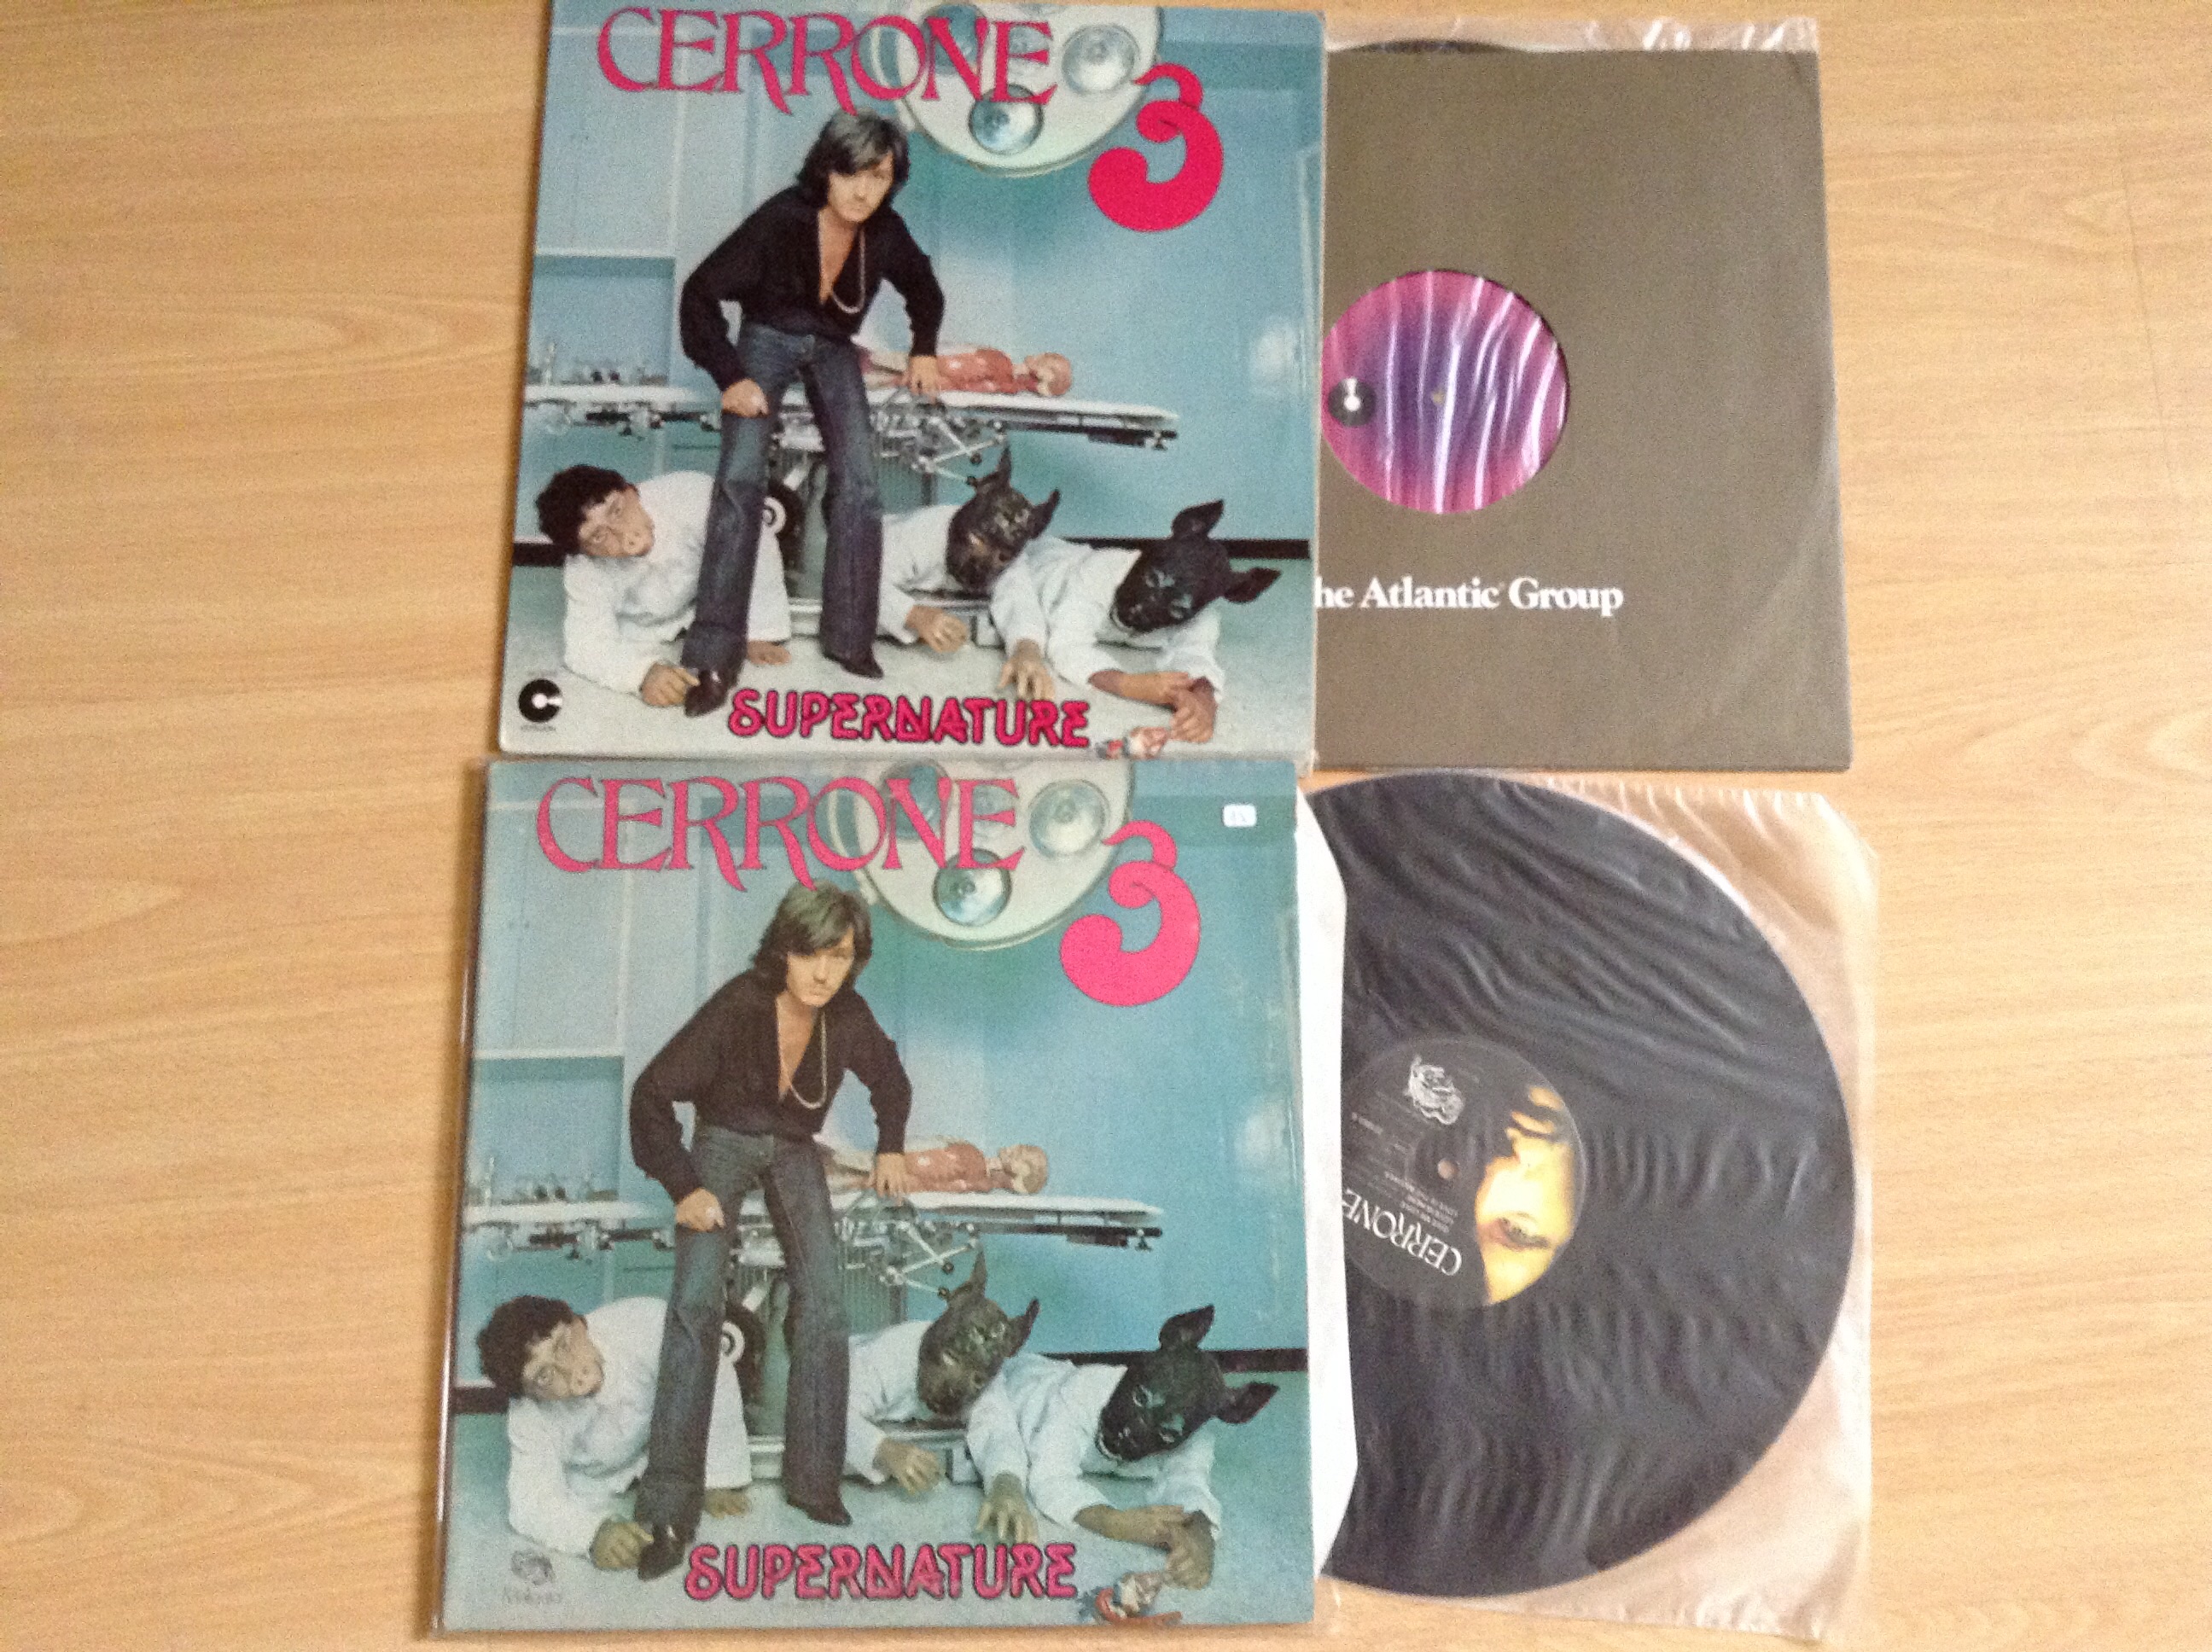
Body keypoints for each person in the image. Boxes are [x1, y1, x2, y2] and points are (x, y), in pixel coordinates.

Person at [627, 883, 915, 1579]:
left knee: (827, 1303)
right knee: (696, 1303)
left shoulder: (849, 1015)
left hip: (793, 1148)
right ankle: (668, 1506)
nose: (824, 972)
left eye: (840, 957)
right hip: (723, 1140)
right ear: (784, 951)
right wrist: (685, 1186)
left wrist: (891, 1147)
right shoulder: (740, 1004)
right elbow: (651, 1094)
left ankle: (815, 1482)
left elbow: (891, 1082)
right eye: (812, 954)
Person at [677, 110, 946, 715]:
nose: (863, 191)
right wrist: (730, 376)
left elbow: (925, 289)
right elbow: (700, 291)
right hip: (766, 338)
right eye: (851, 173)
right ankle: (714, 656)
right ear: (826, 170)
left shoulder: (887, 230)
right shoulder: (782, 218)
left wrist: (924, 348)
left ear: (892, 181)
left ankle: (850, 639)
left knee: (861, 486)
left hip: (833, 347)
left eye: (878, 177)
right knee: (740, 480)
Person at [964, 1306, 1276, 1589]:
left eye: (1166, 1433)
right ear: (1132, 1370)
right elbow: (1050, 1478)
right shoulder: (1081, 1392)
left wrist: (1201, 1533)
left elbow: (1189, 1481)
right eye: (1140, 1398)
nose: (1131, 1431)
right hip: (1026, 1379)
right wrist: (1114, 1522)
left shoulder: (1193, 1433)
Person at [474, 1294, 752, 1569]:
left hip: (663, 1446)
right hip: (593, 1482)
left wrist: (719, 1477)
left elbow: (711, 1372)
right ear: (531, 1395)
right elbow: (530, 1503)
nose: (570, 1372)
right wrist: (593, 1534)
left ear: (579, 1324)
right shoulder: (528, 1416)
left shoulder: (644, 1323)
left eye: (563, 1346)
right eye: (544, 1376)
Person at [993, 501, 1279, 746]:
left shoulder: (1201, 614)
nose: (1144, 606)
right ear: (1143, 557)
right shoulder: (1100, 570)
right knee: (1007, 562)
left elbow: (1196, 655)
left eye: (1176, 608)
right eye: (1152, 579)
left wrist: (1204, 701)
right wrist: (1129, 684)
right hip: (1043, 560)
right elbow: (1068, 645)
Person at [533, 466, 790, 706]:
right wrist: (641, 674)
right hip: (641, 629)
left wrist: (760, 630)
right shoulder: (583, 569)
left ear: (632, 491)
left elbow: (755, 539)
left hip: (707, 599)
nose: (622, 534)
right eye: (598, 536)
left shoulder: (690, 494)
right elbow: (585, 646)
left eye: (617, 511)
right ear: (584, 552)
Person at [843, 1254, 1039, 1546]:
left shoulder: (987, 1370)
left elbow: (999, 1431)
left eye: (975, 1379)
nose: (954, 1389)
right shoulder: (883, 1356)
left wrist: (1007, 1486)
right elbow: (830, 1413)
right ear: (936, 1332)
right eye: (950, 1357)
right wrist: (883, 1449)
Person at [874, 451, 1058, 654]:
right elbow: (859, 582)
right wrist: (914, 615)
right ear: (963, 519)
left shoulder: (1011, 552)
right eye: (978, 540)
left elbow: (1020, 600)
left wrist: (1027, 651)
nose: (982, 562)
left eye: (1002, 557)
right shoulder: (916, 534)